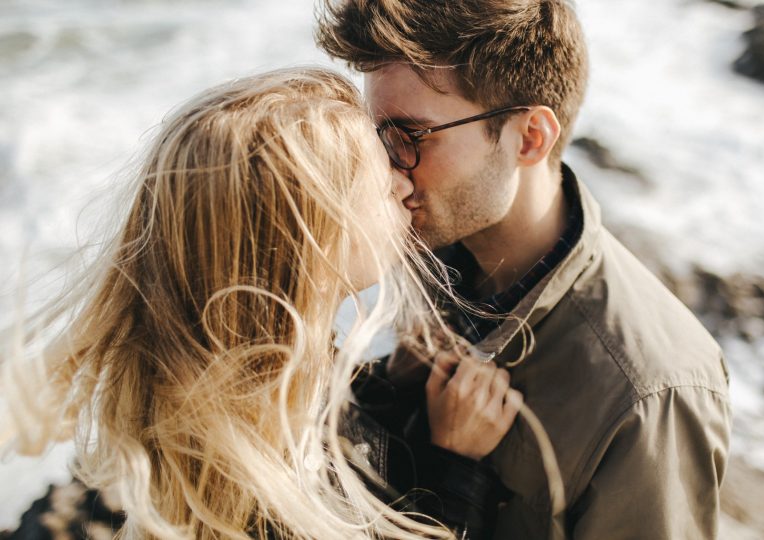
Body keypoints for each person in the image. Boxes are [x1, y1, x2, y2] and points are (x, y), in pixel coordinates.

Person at [0, 68, 524, 539]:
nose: (403, 180)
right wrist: (455, 466)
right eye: (377, 179)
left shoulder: (239, 401)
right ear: (306, 245)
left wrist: (386, 384)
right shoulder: (266, 486)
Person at [316, 0, 733, 538]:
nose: (384, 169)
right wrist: (390, 389)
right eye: (374, 135)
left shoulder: (652, 393)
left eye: (410, 137)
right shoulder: (425, 252)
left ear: (530, 137)